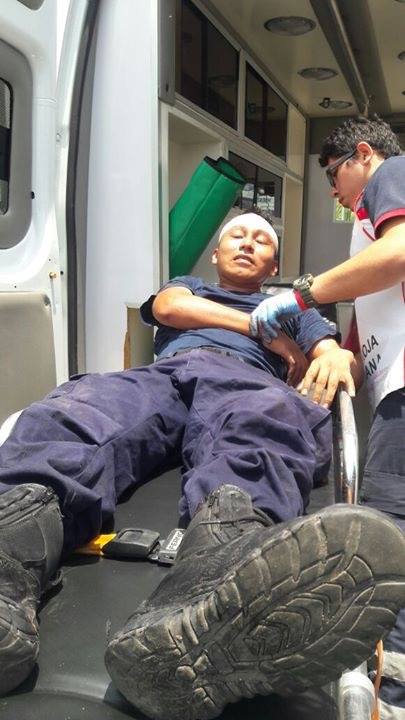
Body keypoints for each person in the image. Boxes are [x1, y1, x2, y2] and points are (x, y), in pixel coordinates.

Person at [0, 208, 404, 720]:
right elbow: (170, 307)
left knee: (267, 426)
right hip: (167, 375)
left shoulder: (295, 309)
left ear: (273, 264)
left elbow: (330, 354)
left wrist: (335, 355)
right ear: (215, 255)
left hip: (248, 385)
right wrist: (262, 330)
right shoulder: (191, 286)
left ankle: (209, 593)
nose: (247, 243)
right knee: (76, 412)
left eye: (261, 241)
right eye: (237, 235)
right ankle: (9, 556)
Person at [249, 116, 405, 718]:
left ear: (362, 154)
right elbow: (363, 342)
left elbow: (399, 255)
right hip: (391, 391)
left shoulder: (392, 175)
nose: (335, 192)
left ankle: (391, 695)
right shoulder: (364, 238)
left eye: (334, 175)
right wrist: (335, 358)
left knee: (390, 535)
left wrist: (303, 294)